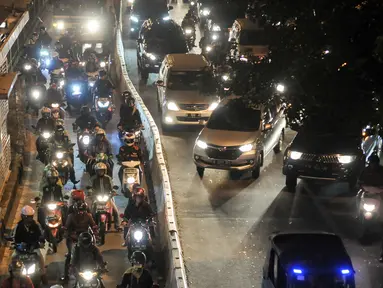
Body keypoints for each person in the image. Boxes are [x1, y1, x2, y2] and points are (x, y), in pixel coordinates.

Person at [62, 202, 98, 282]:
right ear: (75, 210)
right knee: (70, 255)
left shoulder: (89, 216)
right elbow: (66, 228)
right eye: (79, 210)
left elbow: (93, 225)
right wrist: (66, 233)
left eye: (83, 210)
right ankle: (66, 276)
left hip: (86, 238)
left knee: (95, 252)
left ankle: (97, 271)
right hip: (73, 238)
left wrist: (95, 230)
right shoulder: (70, 216)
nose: (81, 212)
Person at [12, 206, 47, 284]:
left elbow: (41, 236)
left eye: (31, 217)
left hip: (33, 248)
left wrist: (40, 243)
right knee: (13, 257)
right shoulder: (18, 226)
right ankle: (12, 275)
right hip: (21, 249)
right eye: (27, 217)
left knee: (40, 258)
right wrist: (16, 244)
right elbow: (14, 237)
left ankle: (43, 275)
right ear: (23, 217)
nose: (29, 219)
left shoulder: (36, 225)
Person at [89, 163, 120, 230]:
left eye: (102, 171)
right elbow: (91, 188)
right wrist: (90, 192)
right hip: (97, 198)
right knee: (92, 212)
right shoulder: (93, 179)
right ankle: (93, 226)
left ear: (105, 171)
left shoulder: (108, 178)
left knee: (115, 211)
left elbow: (112, 187)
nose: (100, 172)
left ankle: (117, 226)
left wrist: (113, 191)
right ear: (96, 171)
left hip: (107, 197)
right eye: (99, 171)